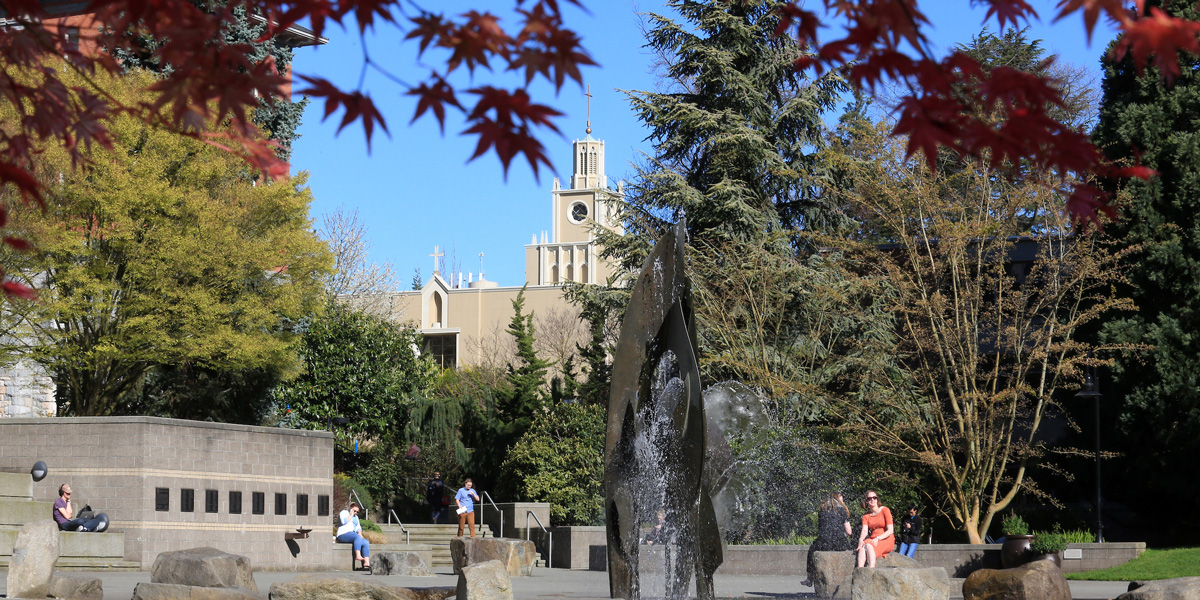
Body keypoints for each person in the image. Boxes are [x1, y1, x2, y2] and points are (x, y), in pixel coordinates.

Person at [802, 492, 854, 587]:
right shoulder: (842, 510)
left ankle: (809, 579)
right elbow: (849, 532)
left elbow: (822, 528)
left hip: (823, 543)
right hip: (839, 543)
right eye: (841, 500)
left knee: (811, 551)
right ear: (837, 500)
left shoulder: (822, 510)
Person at [855, 490, 894, 568]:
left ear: (877, 499)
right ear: (867, 501)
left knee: (869, 545)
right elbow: (865, 530)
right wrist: (861, 540)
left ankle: (871, 569)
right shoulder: (866, 516)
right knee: (863, 546)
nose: (872, 500)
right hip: (873, 538)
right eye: (869, 498)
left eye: (874, 497)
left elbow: (890, 530)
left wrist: (878, 538)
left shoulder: (885, 510)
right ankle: (859, 570)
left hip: (886, 538)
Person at [336, 502, 370, 570]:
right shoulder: (344, 513)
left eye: (357, 511)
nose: (356, 513)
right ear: (350, 509)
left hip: (352, 535)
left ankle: (366, 562)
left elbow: (358, 527)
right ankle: (358, 555)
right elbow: (344, 521)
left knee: (365, 542)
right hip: (342, 534)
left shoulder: (356, 517)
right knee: (356, 536)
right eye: (354, 511)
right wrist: (351, 515)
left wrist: (360, 533)